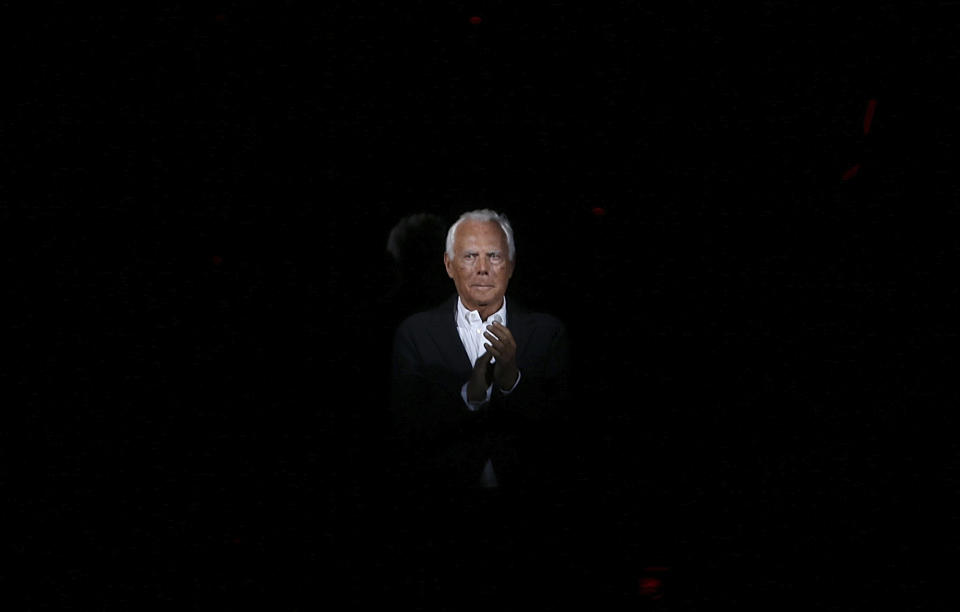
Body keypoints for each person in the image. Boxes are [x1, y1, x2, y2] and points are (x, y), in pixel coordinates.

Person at [387, 209, 570, 606]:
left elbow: (564, 433)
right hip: (441, 525)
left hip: (530, 526)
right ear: (448, 265)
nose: (483, 268)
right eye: (470, 257)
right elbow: (404, 432)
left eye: (494, 256)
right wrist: (470, 396)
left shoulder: (548, 333)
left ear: (512, 264)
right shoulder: (415, 334)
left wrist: (512, 382)